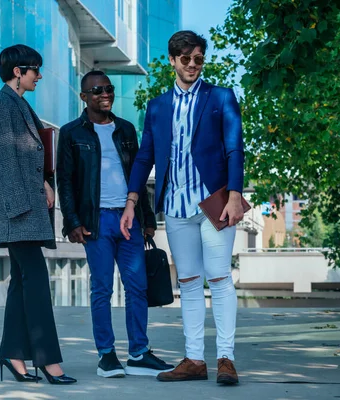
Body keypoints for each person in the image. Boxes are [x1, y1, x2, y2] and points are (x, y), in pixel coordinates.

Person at [120, 31, 245, 385]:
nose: (193, 65)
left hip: (215, 203)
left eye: (198, 59)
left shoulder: (221, 98)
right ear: (173, 61)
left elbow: (235, 147)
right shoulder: (158, 106)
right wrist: (132, 201)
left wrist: (235, 193)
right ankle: (194, 359)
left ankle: (226, 359)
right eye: (186, 59)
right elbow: (145, 156)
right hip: (175, 206)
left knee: (219, 278)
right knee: (188, 282)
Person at [56, 70, 174, 378]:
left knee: (138, 286)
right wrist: (72, 222)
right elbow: (64, 181)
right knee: (102, 288)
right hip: (95, 221)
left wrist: (147, 218)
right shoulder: (72, 133)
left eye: (108, 88)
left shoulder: (125, 129)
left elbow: (137, 175)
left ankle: (138, 353)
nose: (104, 94)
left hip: (128, 218)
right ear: (84, 97)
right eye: (97, 90)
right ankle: (106, 355)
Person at [0, 44, 76, 385]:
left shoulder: (19, 106)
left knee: (22, 284)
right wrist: (21, 209)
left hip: (26, 210)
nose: (39, 75)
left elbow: (34, 157)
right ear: (18, 71)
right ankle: (48, 361)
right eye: (35, 69)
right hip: (16, 213)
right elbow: (1, 164)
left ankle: (12, 354)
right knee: (35, 283)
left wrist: (47, 184)